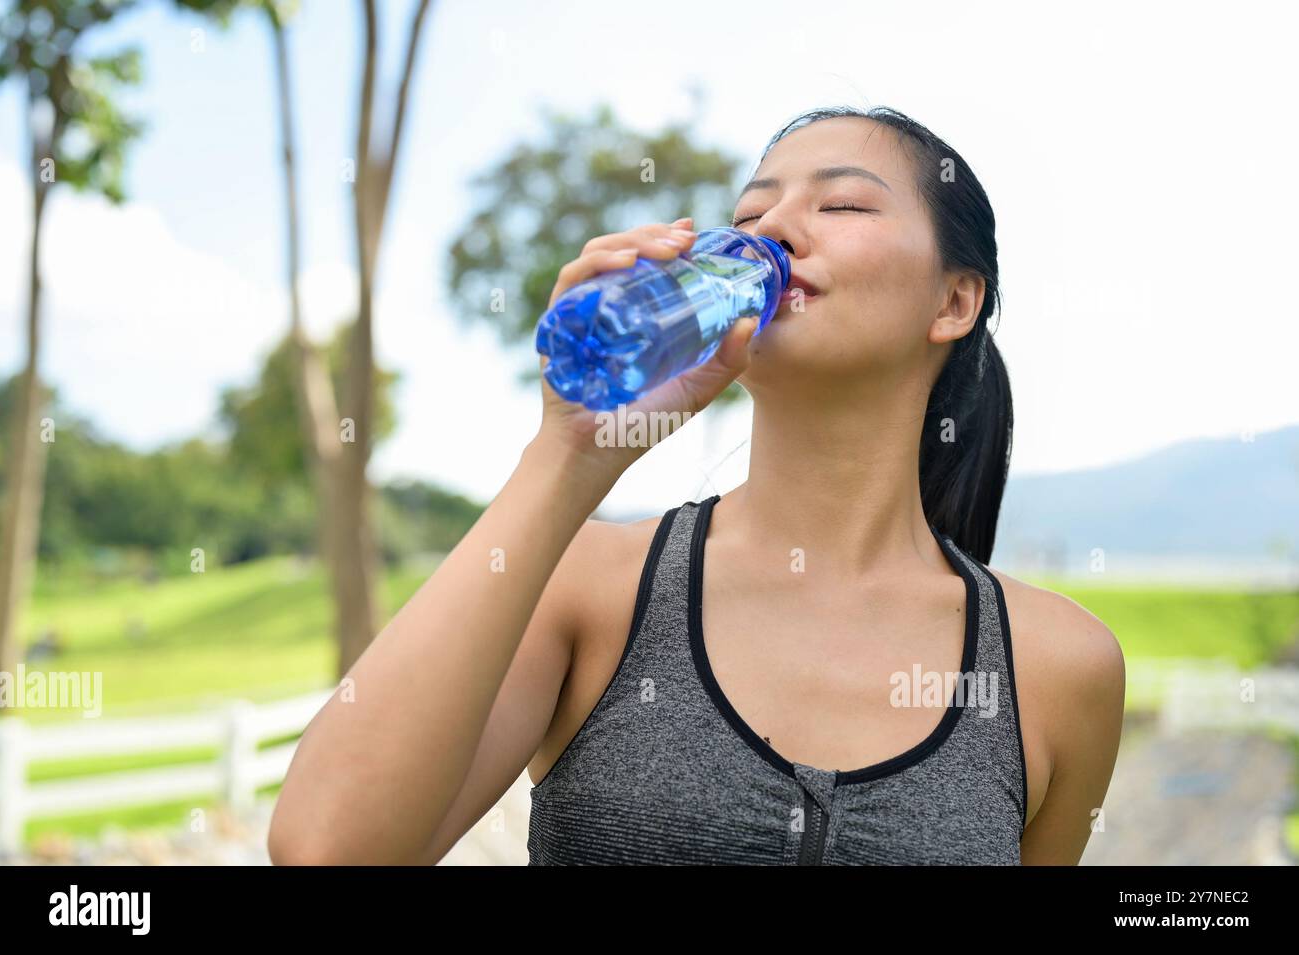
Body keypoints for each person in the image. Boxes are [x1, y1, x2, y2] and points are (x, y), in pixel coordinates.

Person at [268, 105, 1126, 866]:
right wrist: (568, 454)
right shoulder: (592, 588)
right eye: (750, 212)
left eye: (842, 204)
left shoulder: (1056, 668)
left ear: (954, 301)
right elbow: (327, 848)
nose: (774, 228)